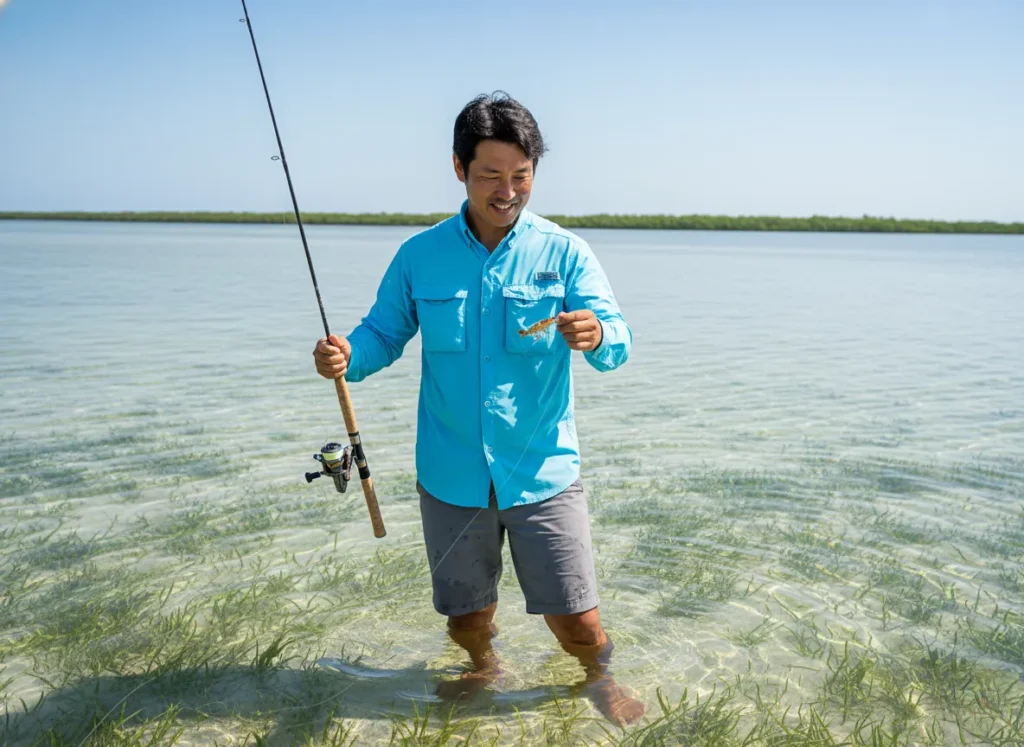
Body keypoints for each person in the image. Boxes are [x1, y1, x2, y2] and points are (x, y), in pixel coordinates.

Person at [312, 91, 645, 726]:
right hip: (449, 474)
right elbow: (382, 335)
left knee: (576, 616)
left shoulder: (565, 252)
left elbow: (618, 340)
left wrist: (597, 335)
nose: (507, 190)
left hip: (543, 474)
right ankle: (482, 668)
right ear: (459, 168)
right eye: (490, 174)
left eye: (521, 176)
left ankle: (598, 677)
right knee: (466, 615)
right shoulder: (419, 255)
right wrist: (344, 356)